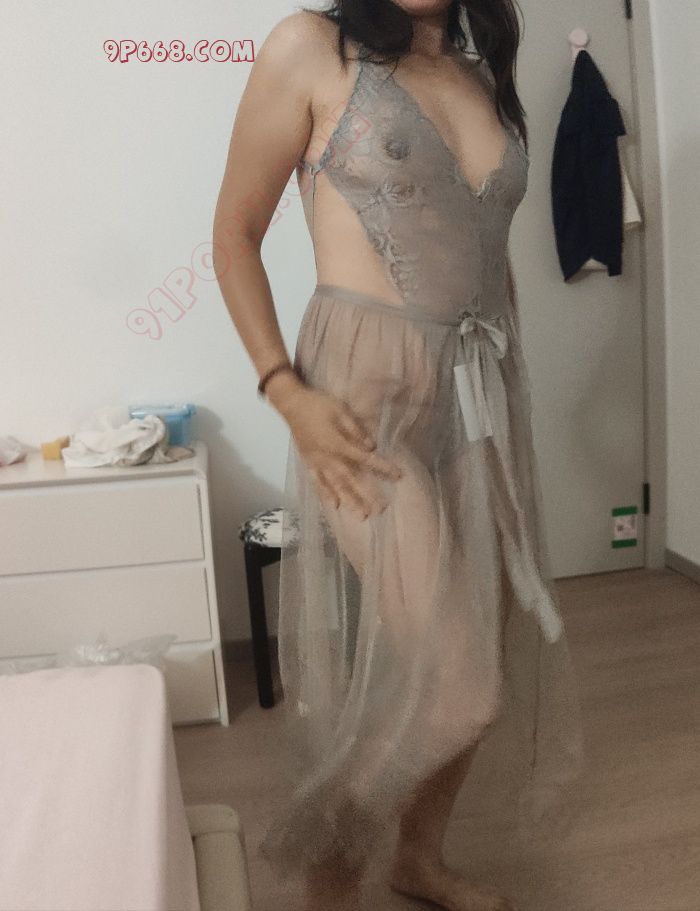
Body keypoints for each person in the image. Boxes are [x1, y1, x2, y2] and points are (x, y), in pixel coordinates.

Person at [213, 2, 585, 909]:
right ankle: (326, 876)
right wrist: (285, 389)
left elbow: (484, 254)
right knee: (461, 684)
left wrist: (505, 386)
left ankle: (419, 856)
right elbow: (233, 235)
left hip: (479, 389)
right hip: (361, 400)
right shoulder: (311, 47)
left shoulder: (477, 70)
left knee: (484, 646)